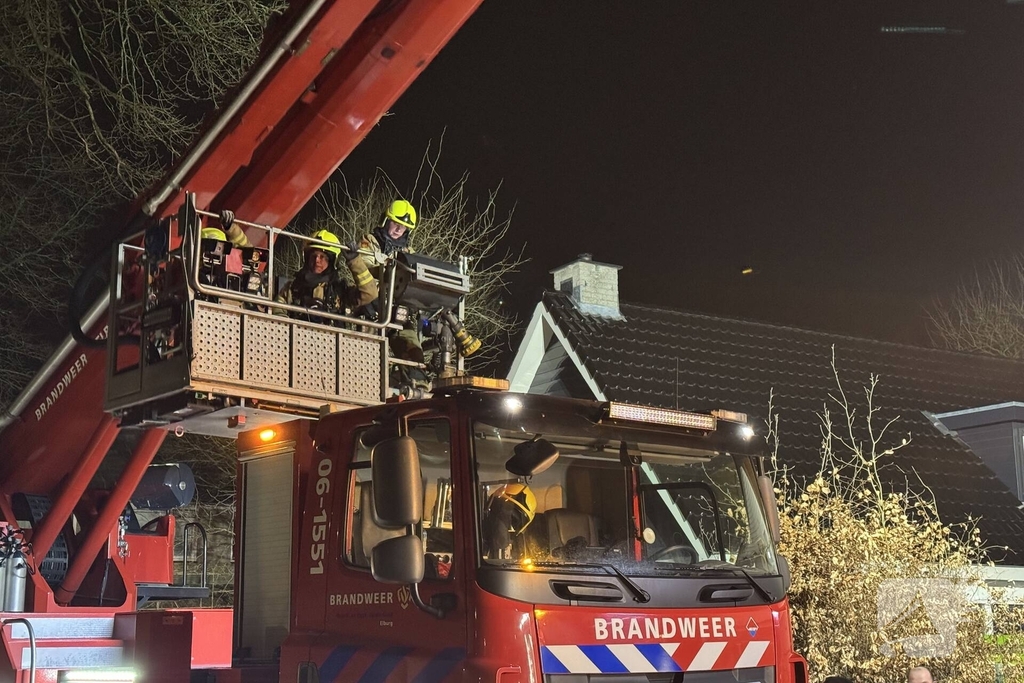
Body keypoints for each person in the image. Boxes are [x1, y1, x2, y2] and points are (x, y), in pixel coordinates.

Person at [276, 229, 376, 323]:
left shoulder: (342, 293)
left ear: (332, 261)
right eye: (313, 256)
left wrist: (355, 262)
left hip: (334, 340)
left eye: (322, 257)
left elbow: (370, 293)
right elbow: (277, 310)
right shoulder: (292, 289)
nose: (317, 260)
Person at [482, 483, 536, 561]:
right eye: (496, 508)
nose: (500, 521)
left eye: (512, 518)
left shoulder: (523, 548)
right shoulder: (475, 537)